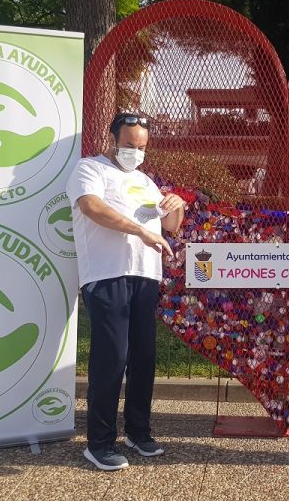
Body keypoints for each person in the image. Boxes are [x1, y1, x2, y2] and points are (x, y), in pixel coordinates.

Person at [66, 111, 185, 471]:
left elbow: (171, 229)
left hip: (145, 276)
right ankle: (99, 443)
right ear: (113, 139)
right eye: (130, 145)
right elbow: (92, 207)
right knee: (111, 359)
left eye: (142, 146)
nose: (136, 151)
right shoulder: (91, 169)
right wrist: (140, 231)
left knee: (143, 359)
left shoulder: (148, 182)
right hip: (106, 275)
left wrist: (176, 207)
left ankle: (138, 432)